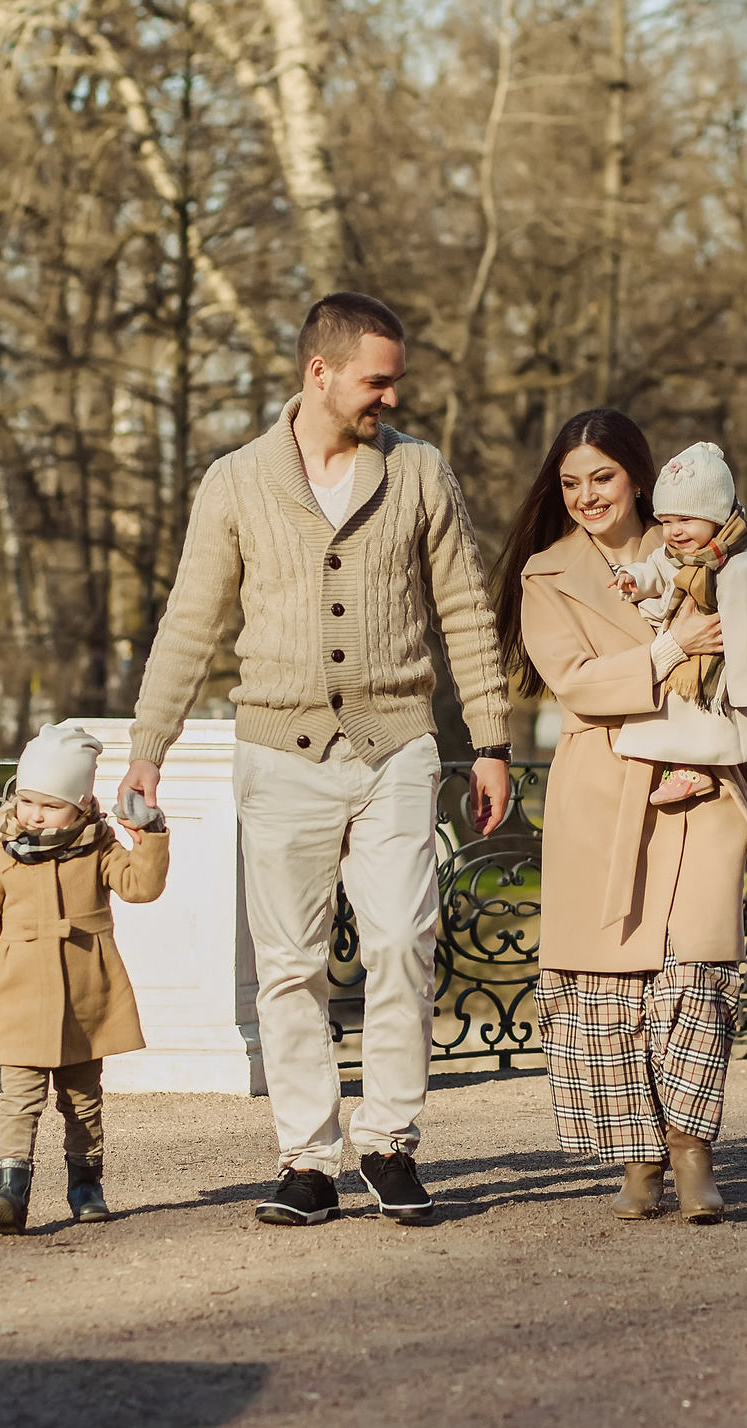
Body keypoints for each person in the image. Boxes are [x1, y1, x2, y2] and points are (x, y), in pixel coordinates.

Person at [119, 291, 514, 1228]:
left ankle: (389, 1144)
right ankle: (306, 1159)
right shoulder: (237, 482)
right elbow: (191, 621)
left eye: (395, 382)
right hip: (278, 749)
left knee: (402, 946)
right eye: (376, 380)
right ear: (320, 371)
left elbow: (465, 607)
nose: (389, 397)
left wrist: (490, 741)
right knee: (288, 964)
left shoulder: (419, 473)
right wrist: (147, 747)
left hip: (398, 748)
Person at [496, 409, 747, 1225]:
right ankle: (637, 1156)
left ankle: (692, 1154)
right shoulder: (546, 573)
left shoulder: (700, 545)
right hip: (600, 786)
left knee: (693, 972)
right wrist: (666, 652)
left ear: (638, 475)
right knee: (608, 988)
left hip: (700, 782)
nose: (585, 496)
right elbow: (573, 681)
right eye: (570, 483)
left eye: (601, 477)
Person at [0, 720, 170, 1233]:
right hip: (19, 998)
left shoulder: (99, 846)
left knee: (82, 1099)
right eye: (27, 801)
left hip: (84, 996)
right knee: (19, 1100)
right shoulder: (1, 854)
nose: (35, 814)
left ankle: (86, 1186)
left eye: (50, 805)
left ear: (80, 805)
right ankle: (11, 1190)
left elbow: (141, 886)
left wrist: (151, 833)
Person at [603, 442, 747, 806]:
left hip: (727, 661)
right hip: (698, 647)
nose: (674, 532)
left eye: (686, 520)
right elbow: (656, 567)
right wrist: (635, 578)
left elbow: (746, 637)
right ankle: (725, 765)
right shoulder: (679, 553)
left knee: (712, 715)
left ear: (717, 516)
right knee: (688, 707)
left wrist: (746, 696)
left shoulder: (741, 566)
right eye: (667, 521)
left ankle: (700, 768)